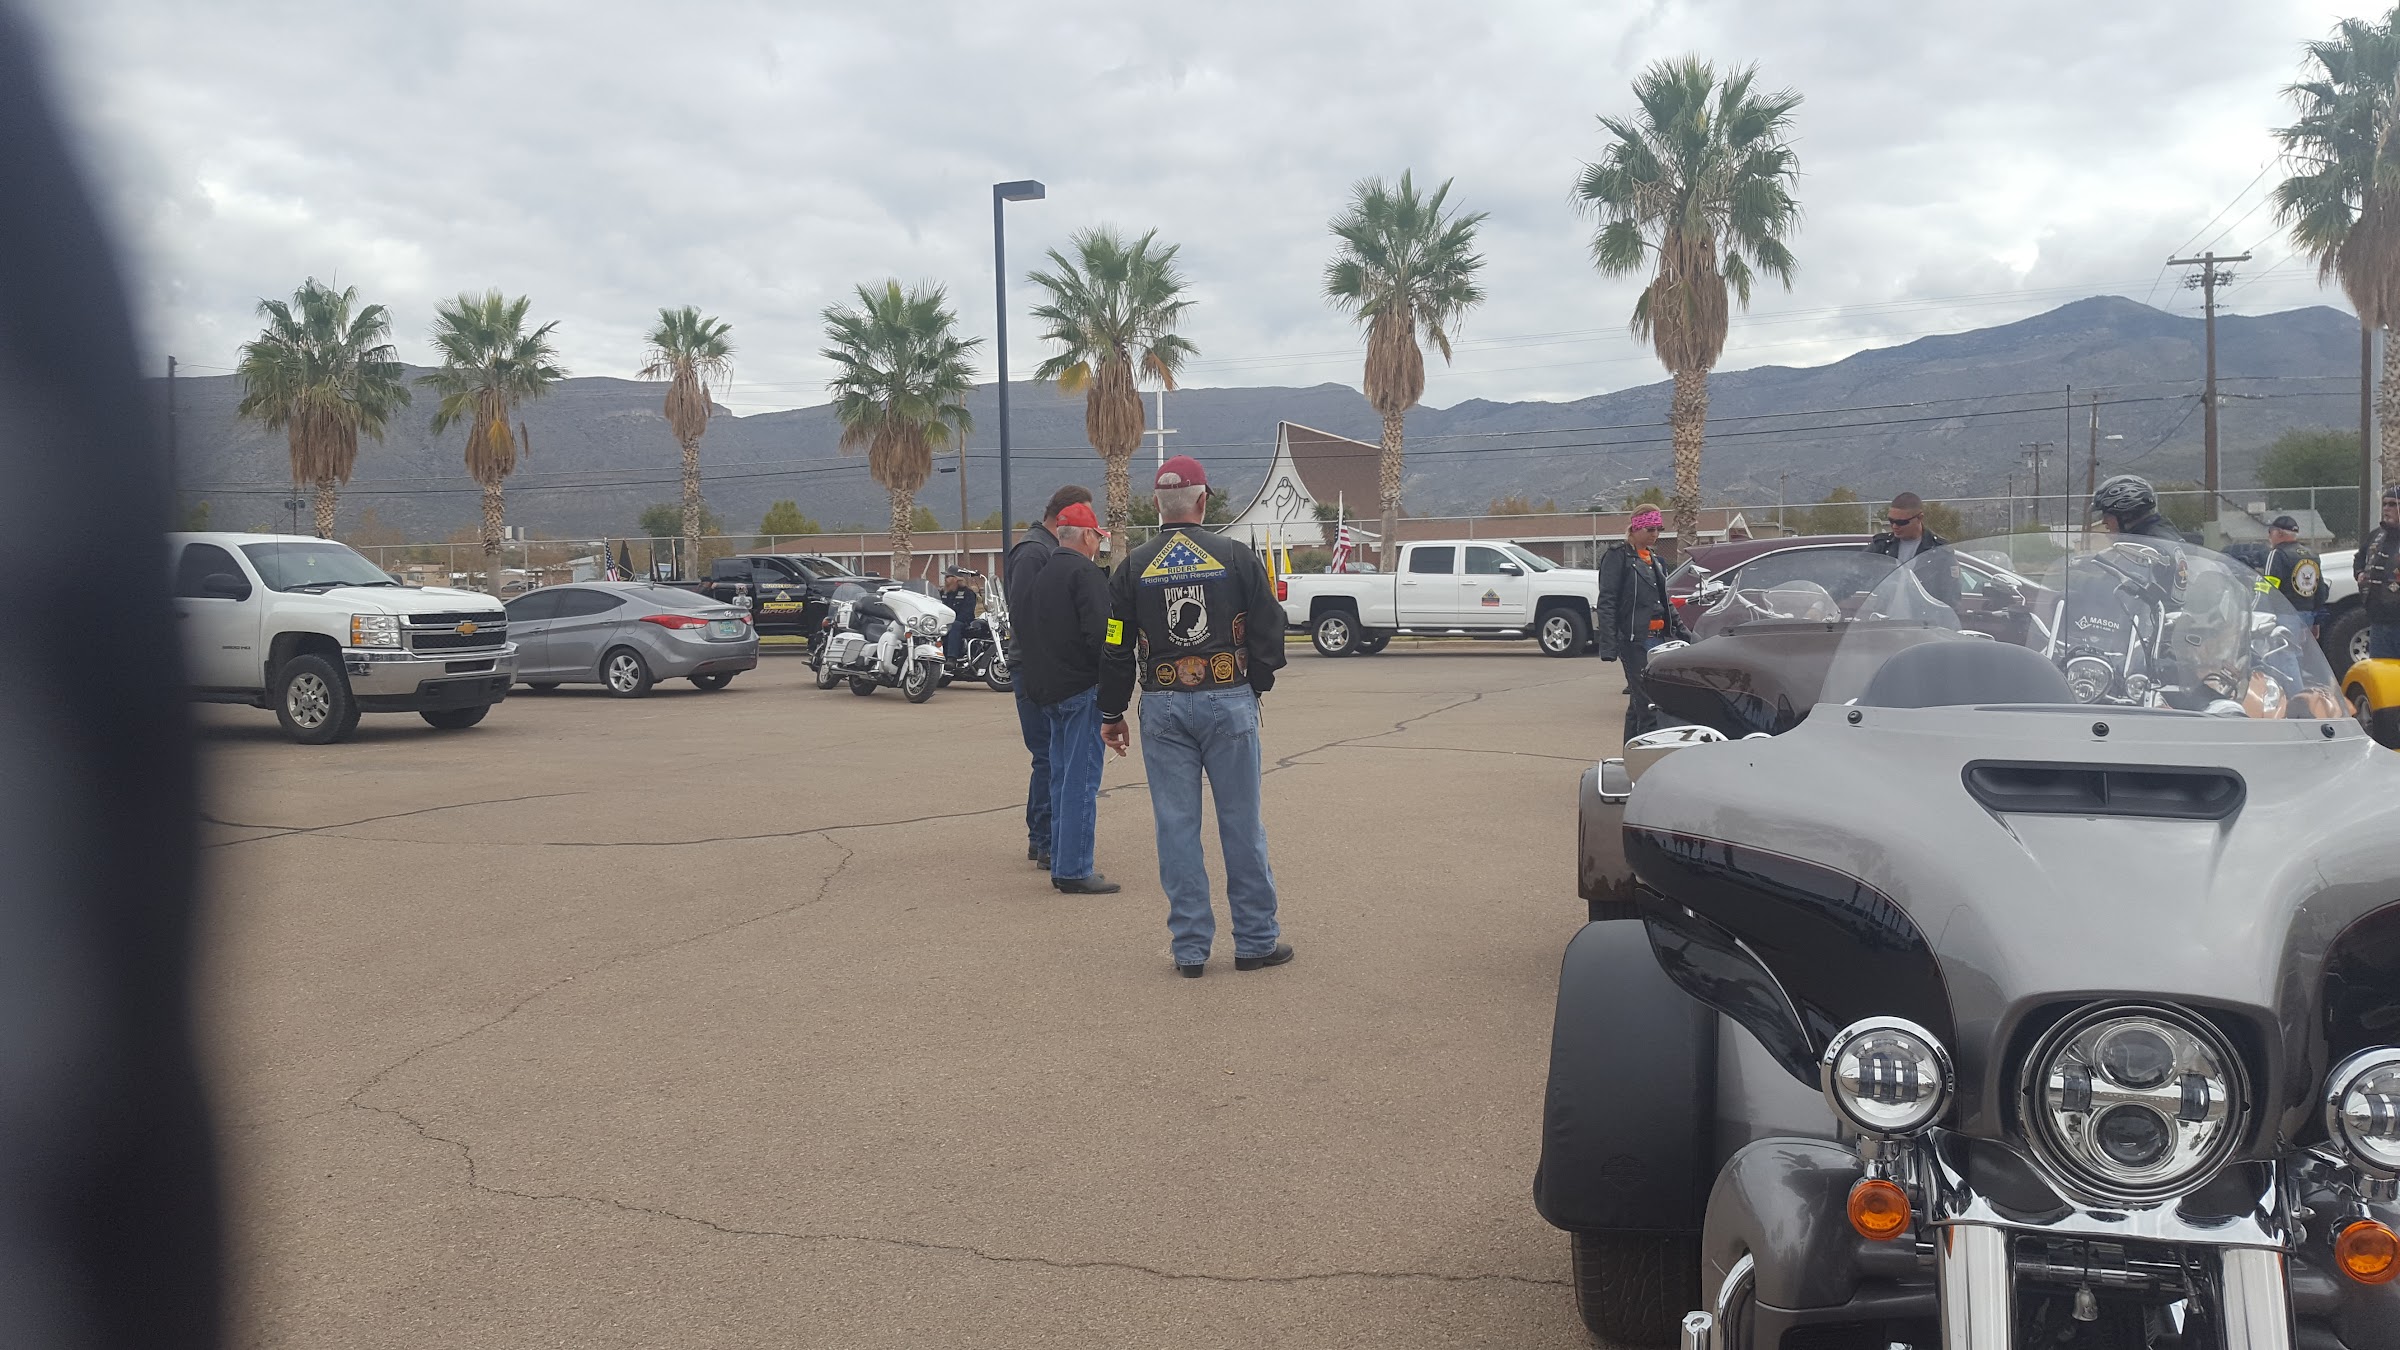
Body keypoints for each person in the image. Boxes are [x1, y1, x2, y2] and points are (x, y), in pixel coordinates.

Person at [1100, 456, 1291, 978]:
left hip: (1161, 706)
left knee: (1176, 826)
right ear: (1204, 500)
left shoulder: (1133, 568)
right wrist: (1256, 683)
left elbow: (1115, 642)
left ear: (1156, 504)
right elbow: (1270, 625)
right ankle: (1255, 942)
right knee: (1242, 822)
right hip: (1229, 697)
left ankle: (1190, 951)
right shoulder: (1236, 557)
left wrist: (1112, 710)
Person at [1016, 500, 1120, 895]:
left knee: (1061, 778)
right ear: (1088, 536)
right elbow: (1103, 635)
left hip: (1050, 692)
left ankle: (1061, 859)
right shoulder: (1085, 574)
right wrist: (1114, 683)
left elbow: (1028, 632)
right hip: (1081, 691)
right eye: (1098, 536)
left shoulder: (1042, 574)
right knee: (1081, 780)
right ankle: (1074, 868)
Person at [1000, 485, 1094, 870]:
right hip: (1035, 670)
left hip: (1044, 668)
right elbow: (1025, 615)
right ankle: (1044, 839)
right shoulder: (1033, 552)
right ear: (1067, 516)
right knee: (1048, 756)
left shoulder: (1046, 549)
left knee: (1052, 757)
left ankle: (1048, 837)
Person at [1595, 508, 1690, 743]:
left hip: (1659, 638)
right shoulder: (1618, 557)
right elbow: (1607, 601)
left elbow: (1665, 601)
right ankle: (1648, 753)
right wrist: (1609, 644)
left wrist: (1685, 633)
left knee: (1638, 704)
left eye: (1658, 529)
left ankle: (1630, 753)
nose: (1655, 534)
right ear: (1636, 528)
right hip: (1635, 640)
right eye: (1650, 529)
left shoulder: (1654, 560)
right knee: (1649, 705)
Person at [1863, 491, 1959, 614]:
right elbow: (1853, 575)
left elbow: (1951, 599)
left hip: (1922, 623)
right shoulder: (1882, 546)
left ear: (1920, 518)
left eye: (1901, 522)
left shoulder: (1940, 551)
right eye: (1891, 521)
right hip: (1884, 622)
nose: (1895, 526)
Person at [2356, 487, 2400, 661]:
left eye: (2393, 504)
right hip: (2379, 620)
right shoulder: (2376, 535)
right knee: (2381, 670)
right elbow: (2359, 558)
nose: (2386, 509)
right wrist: (2359, 573)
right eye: (2384, 504)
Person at [2091, 474, 2183, 543]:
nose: (2104, 521)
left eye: (2107, 515)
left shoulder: (2151, 544)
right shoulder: (2151, 535)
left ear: (2126, 514)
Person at [939, 567, 980, 664]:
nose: (945, 579)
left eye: (948, 576)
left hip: (962, 623)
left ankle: (951, 658)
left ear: (956, 579)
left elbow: (967, 613)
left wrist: (950, 622)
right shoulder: (942, 593)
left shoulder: (968, 593)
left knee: (955, 626)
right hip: (943, 623)